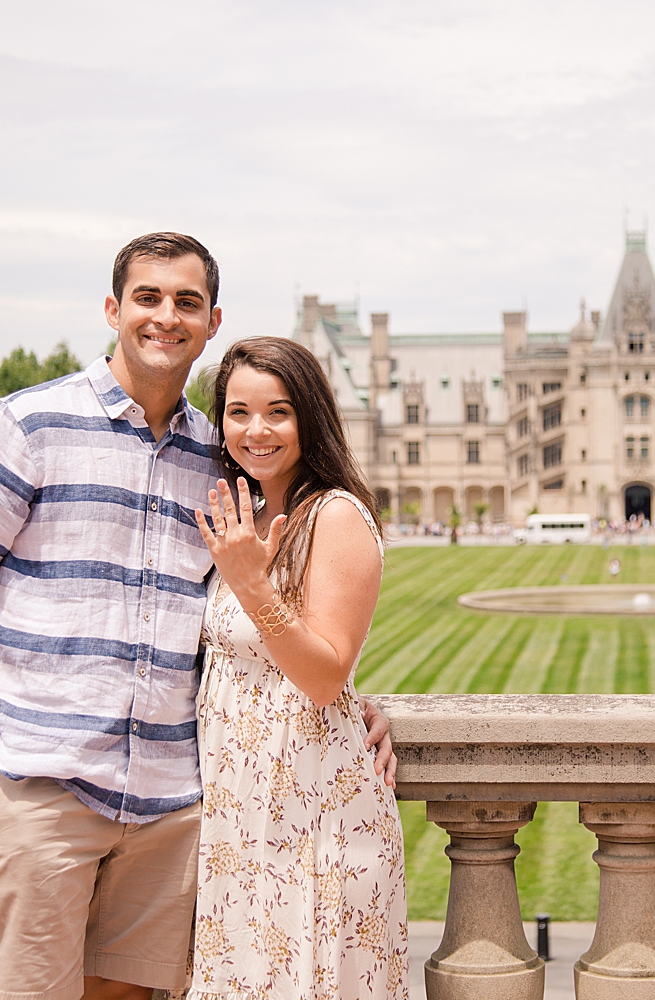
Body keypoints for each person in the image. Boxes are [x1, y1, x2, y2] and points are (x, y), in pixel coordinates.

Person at [0, 234, 394, 1000]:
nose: (167, 316)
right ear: (113, 309)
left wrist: (351, 705)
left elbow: (283, 631)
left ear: (210, 322)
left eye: (187, 302)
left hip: (174, 809)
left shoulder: (222, 458)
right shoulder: (27, 426)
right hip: (46, 788)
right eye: (149, 297)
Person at [190, 337, 407, 999]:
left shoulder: (335, 515)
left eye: (277, 412)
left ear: (309, 417)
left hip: (311, 817)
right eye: (238, 412)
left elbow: (321, 677)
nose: (256, 430)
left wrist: (253, 587)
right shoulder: (246, 515)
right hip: (245, 808)